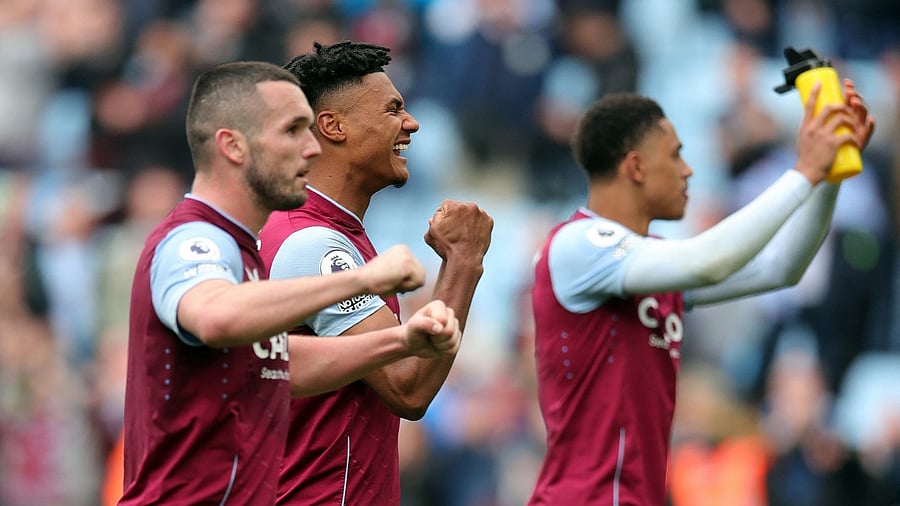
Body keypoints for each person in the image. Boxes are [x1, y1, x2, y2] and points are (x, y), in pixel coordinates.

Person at [120, 61, 463, 505]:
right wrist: (361, 279)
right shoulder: (196, 240)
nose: (311, 148)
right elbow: (216, 317)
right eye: (292, 131)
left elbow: (287, 366)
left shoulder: (243, 251)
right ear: (233, 146)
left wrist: (403, 341)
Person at [527, 81, 875, 505]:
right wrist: (803, 172)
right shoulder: (578, 244)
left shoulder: (651, 263)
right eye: (675, 155)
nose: (687, 170)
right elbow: (707, 262)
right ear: (636, 167)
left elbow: (781, 268)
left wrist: (828, 175)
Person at [257, 41, 494, 504]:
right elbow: (408, 387)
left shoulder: (318, 230)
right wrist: (463, 263)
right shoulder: (312, 244)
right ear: (333, 126)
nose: (411, 123)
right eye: (392, 110)